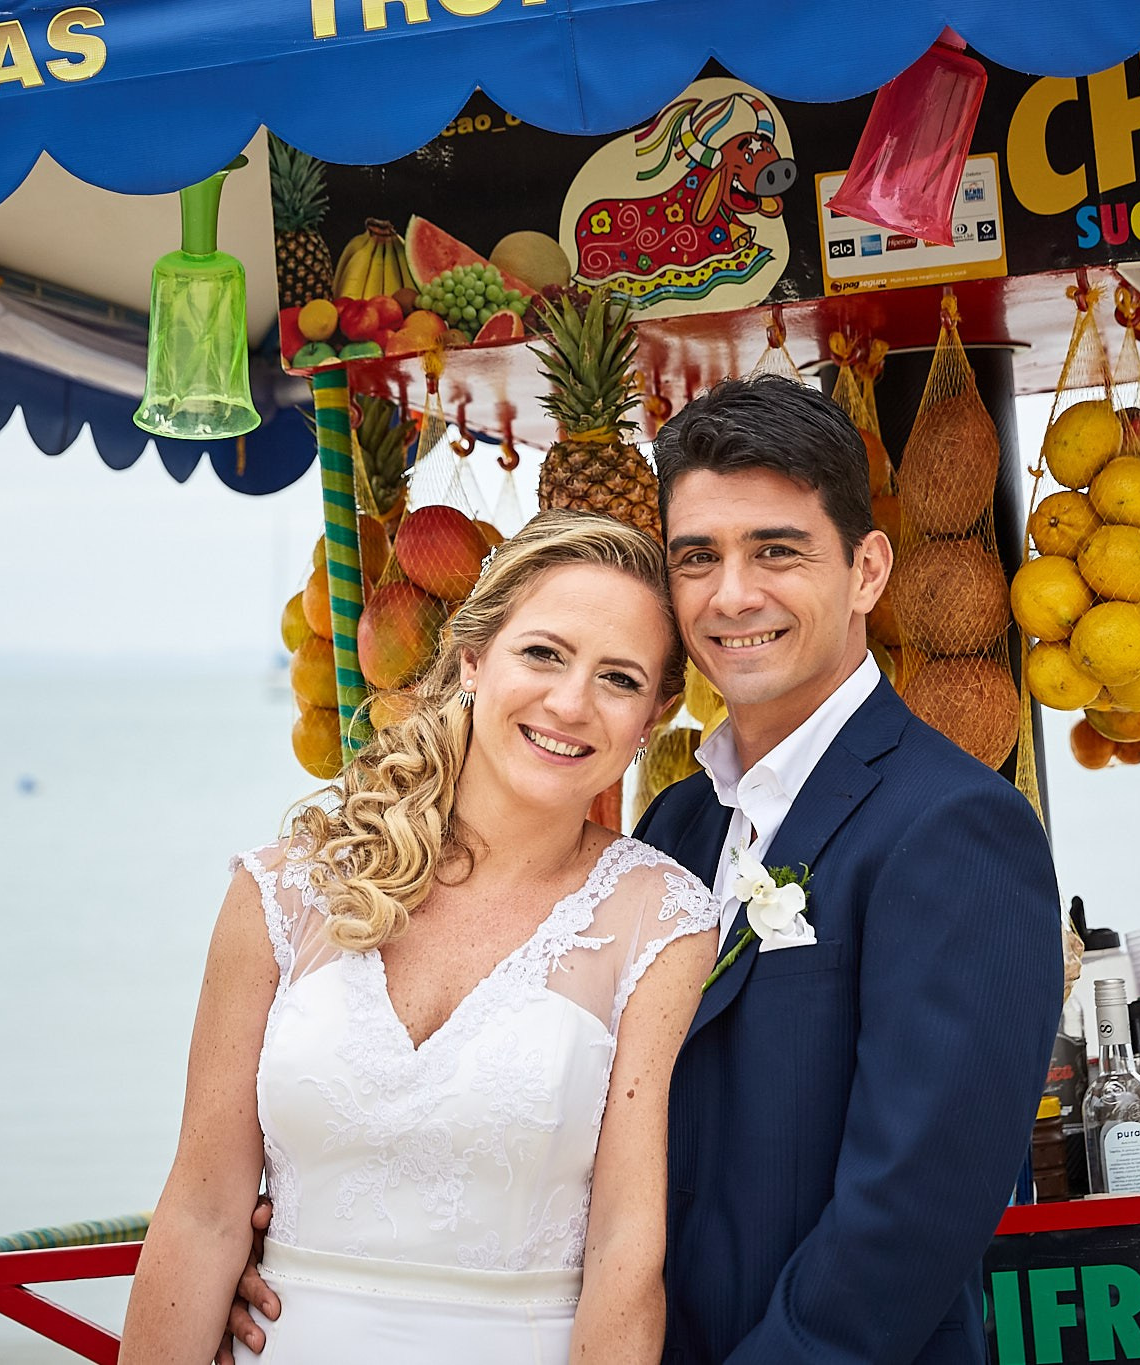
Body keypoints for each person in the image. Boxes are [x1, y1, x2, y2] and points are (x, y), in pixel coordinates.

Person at [226, 374, 1064, 1364]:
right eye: (697, 557)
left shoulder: (958, 827)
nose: (732, 594)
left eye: (776, 552)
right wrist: (311, 1240)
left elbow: (914, 1214)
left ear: (868, 569)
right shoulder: (676, 821)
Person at [121, 510, 721, 1365]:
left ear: (655, 714)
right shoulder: (283, 891)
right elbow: (202, 1209)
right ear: (474, 657)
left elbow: (627, 1253)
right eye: (543, 653)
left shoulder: (663, 924)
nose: (570, 702)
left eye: (619, 678)